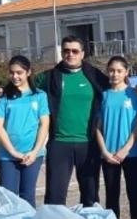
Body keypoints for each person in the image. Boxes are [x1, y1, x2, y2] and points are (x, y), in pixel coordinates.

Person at [36, 36, 109, 207]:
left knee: (90, 197)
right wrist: (1, 92)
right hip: (59, 143)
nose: (70, 54)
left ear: (82, 53)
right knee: (55, 197)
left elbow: (118, 87)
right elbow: (24, 85)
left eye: (75, 51)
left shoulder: (95, 76)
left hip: (88, 144)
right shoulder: (49, 77)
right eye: (66, 51)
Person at [96, 56, 137, 219]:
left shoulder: (135, 95)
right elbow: (98, 127)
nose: (114, 74)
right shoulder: (104, 95)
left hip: (130, 154)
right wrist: (105, 151)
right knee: (111, 196)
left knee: (134, 195)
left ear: (126, 72)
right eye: (111, 70)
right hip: (109, 155)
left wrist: (126, 149)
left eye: (119, 70)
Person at [0, 55, 49, 207]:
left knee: (27, 196)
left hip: (32, 155)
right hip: (7, 156)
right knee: (8, 199)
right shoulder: (3, 97)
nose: (15, 76)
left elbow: (44, 124)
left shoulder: (40, 96)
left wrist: (35, 151)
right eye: (12, 72)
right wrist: (13, 152)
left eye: (19, 73)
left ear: (28, 72)